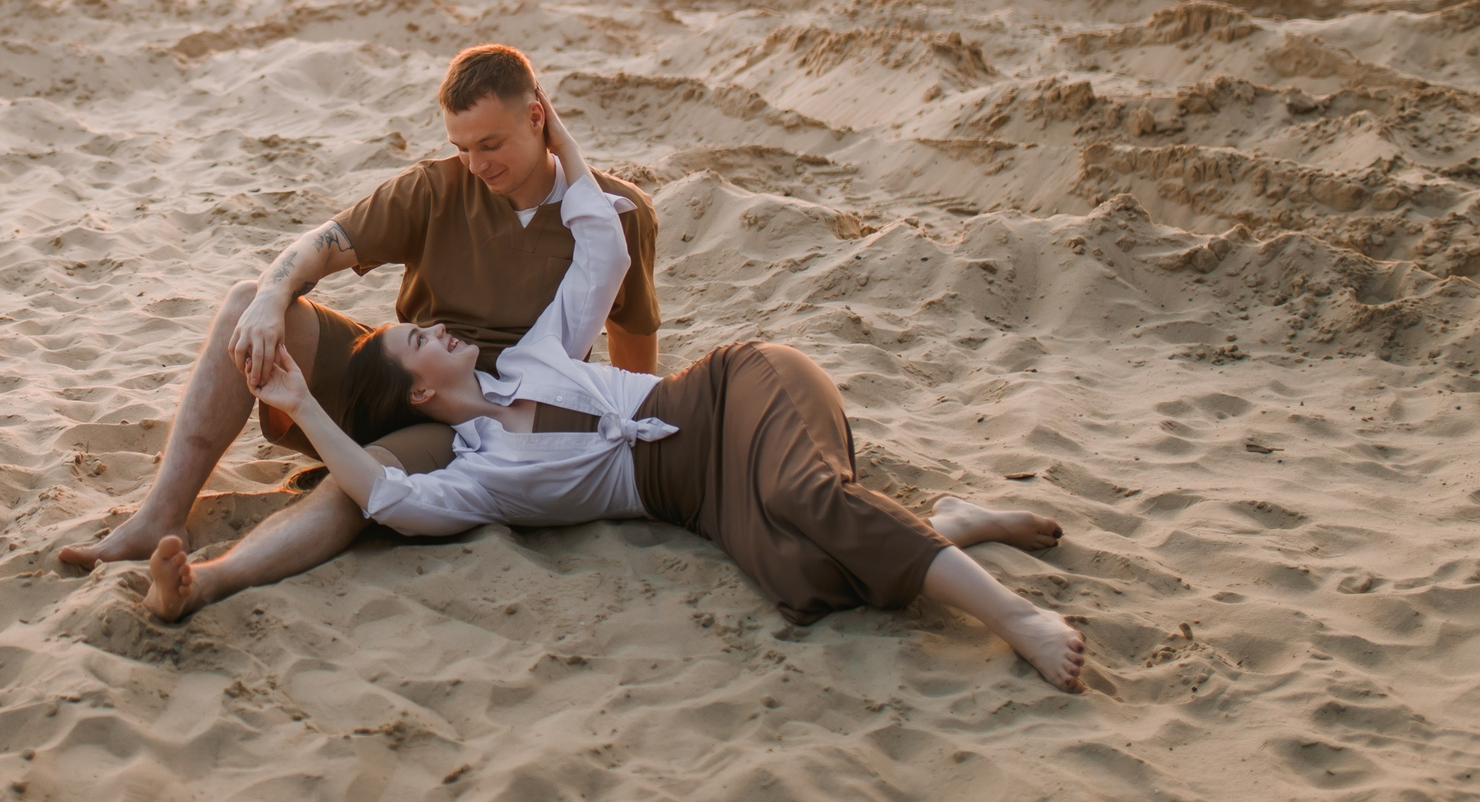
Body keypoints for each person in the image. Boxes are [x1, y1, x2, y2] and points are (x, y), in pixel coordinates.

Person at [224, 97, 1087, 693]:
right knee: (805, 577)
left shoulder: (528, 356)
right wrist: (301, 403)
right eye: (423, 337)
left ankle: (1018, 618)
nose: (441, 326)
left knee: (803, 494)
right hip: (692, 495)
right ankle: (952, 521)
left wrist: (555, 137)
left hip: (729, 392)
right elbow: (383, 494)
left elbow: (603, 243)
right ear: (417, 389)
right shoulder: (472, 475)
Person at [59, 44, 661, 619]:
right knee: (247, 301)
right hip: (399, 371)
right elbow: (318, 247)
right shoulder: (437, 185)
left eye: (491, 144)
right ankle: (163, 513)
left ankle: (211, 580)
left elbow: (631, 348)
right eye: (462, 146)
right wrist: (271, 297)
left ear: (538, 119)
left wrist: (629, 438)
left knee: (358, 487)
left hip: (477, 420)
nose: (476, 165)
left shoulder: (613, 211)